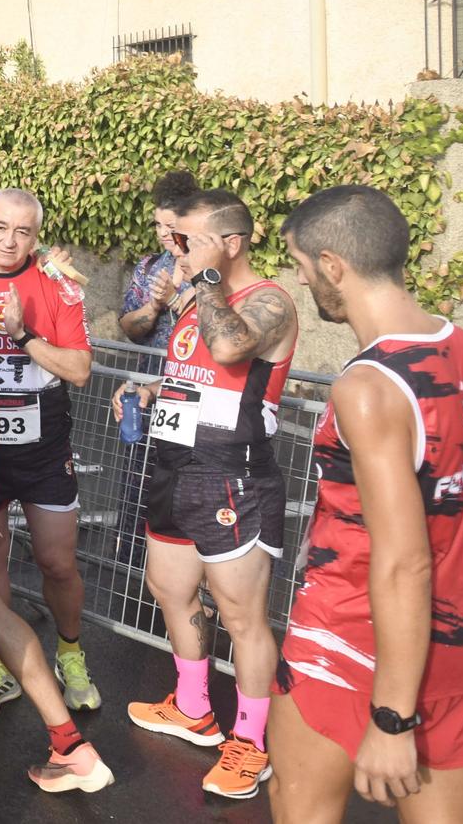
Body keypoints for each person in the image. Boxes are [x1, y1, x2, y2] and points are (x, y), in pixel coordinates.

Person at [271, 184, 463, 821]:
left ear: (334, 265)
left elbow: (402, 561)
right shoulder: (461, 348)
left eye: (303, 268)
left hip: (352, 640)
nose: (304, 285)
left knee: (298, 807)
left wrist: (391, 717)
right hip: (452, 648)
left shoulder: (368, 386)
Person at [121, 188, 297, 799]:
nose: (175, 249)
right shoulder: (198, 301)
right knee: (168, 587)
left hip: (232, 472)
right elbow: (195, 374)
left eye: (189, 239)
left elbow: (230, 349)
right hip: (174, 466)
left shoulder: (268, 299)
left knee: (244, 615)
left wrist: (209, 277)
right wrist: (152, 391)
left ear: (231, 243)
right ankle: (194, 705)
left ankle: (250, 744)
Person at [0, 188, 100, 718]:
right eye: (1, 227)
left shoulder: (55, 284)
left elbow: (78, 369)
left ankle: (70, 653)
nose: (10, 241)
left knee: (56, 560)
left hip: (43, 445)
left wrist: (22, 334)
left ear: (36, 236)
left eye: (23, 232)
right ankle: (2, 662)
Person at [118, 169, 201, 348]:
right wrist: (154, 305)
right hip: (149, 372)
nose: (163, 233)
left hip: (188, 372)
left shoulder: (209, 270)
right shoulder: (148, 266)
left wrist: (174, 301)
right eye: (157, 225)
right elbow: (127, 327)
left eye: (170, 226)